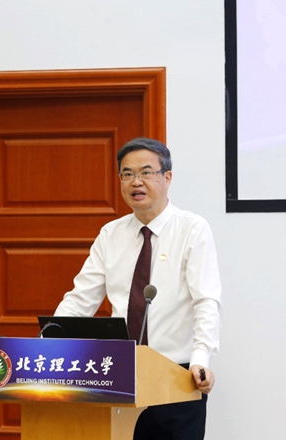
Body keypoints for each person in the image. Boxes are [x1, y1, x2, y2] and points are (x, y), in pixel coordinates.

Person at [54, 137, 222, 439]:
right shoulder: (111, 234)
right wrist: (49, 342)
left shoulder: (192, 229)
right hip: (119, 375)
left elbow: (206, 301)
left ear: (167, 177)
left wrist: (201, 360)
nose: (136, 182)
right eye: (127, 174)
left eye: (146, 172)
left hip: (177, 376)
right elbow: (80, 299)